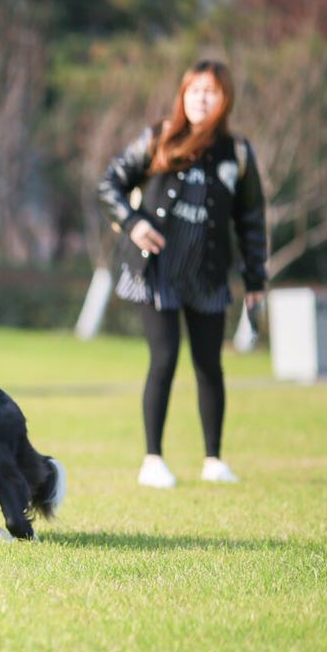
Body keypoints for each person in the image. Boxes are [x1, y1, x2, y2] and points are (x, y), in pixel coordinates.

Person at [98, 59, 268, 488]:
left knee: (209, 365)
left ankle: (213, 460)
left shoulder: (238, 153)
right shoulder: (157, 137)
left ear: (225, 98)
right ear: (183, 94)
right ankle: (152, 459)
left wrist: (255, 280)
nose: (201, 98)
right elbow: (111, 182)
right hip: (157, 272)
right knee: (165, 358)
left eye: (210, 91)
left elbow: (251, 219)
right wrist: (134, 223)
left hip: (207, 275)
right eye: (194, 90)